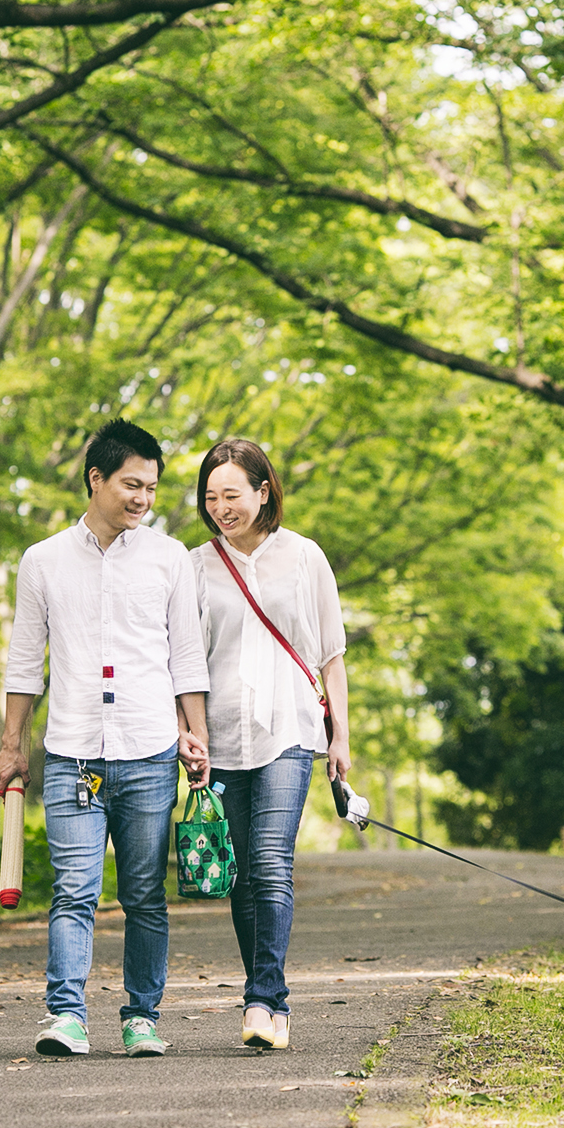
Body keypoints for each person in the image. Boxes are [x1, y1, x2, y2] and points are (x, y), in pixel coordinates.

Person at [0, 418, 210, 1059]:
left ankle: (141, 1016)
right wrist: (12, 743)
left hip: (149, 753)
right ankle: (65, 1015)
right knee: (73, 889)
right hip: (72, 756)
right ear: (96, 478)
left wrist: (194, 736)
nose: (142, 498)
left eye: (150, 487)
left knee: (144, 894)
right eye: (130, 484)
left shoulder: (170, 558)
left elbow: (187, 659)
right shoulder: (44, 561)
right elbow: (24, 659)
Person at [186, 437, 351, 1051]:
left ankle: (264, 1000)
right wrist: (192, 734)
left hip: (289, 729)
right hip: (222, 737)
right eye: (210, 497)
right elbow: (187, 662)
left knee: (272, 863)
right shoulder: (195, 566)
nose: (221, 508)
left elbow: (331, 653)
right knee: (241, 874)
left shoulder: (305, 558)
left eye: (232, 494)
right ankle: (267, 1000)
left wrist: (342, 737)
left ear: (263, 490)